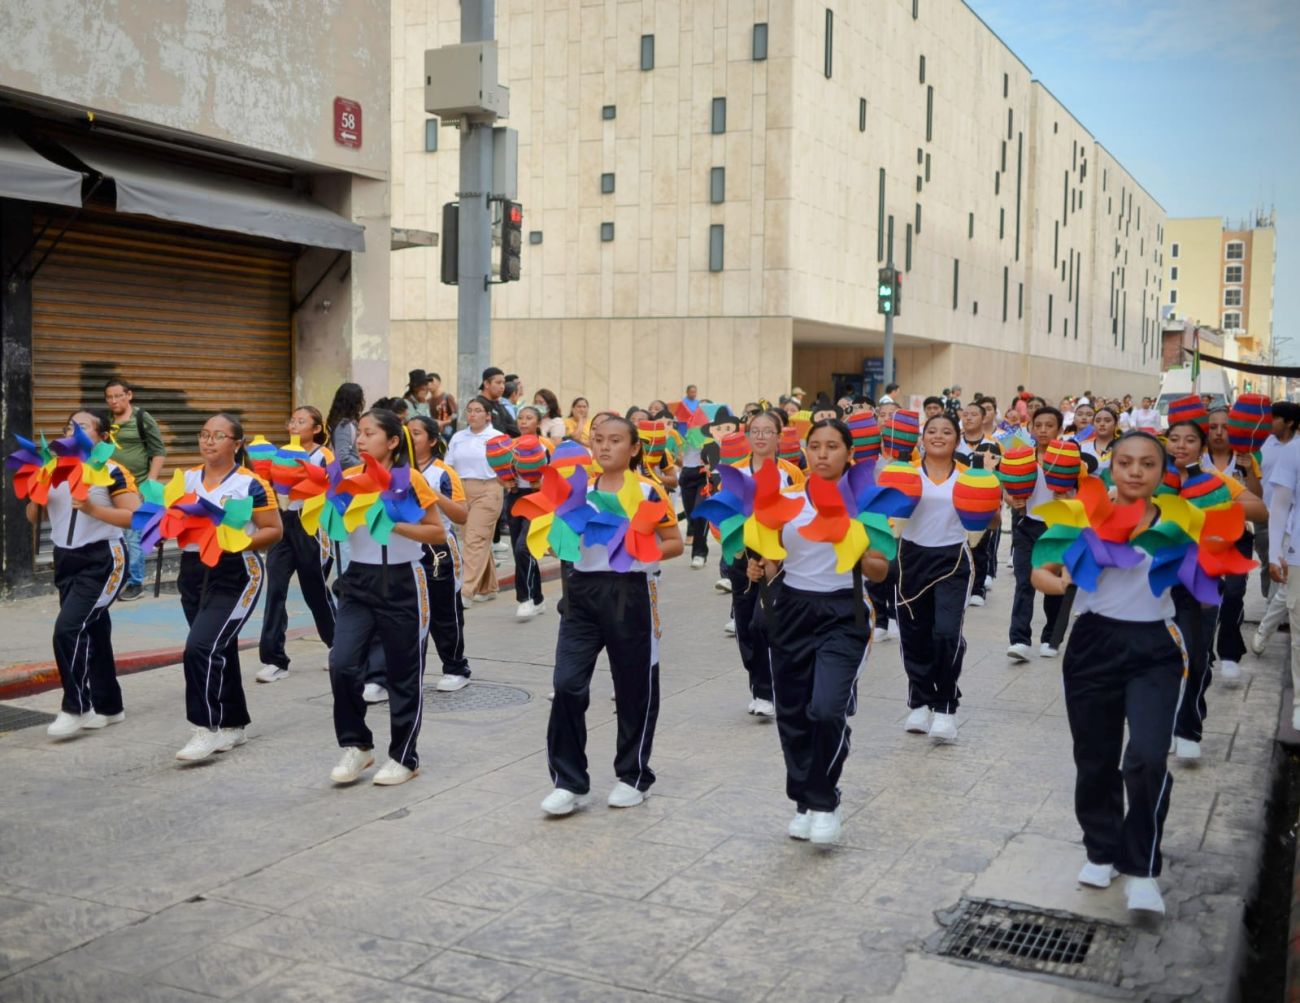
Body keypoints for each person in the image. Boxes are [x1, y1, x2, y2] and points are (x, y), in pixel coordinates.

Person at [1032, 432, 1186, 915]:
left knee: (1146, 756)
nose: (1135, 472)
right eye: (1124, 463)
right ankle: (1102, 849)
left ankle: (1142, 868)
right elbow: (1041, 569)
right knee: (1095, 757)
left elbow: (1205, 569)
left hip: (1156, 647)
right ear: (1110, 468)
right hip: (1093, 644)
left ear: (1162, 472)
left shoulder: (1181, 521)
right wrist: (1060, 579)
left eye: (1146, 464)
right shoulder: (1082, 513)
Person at [749, 419, 889, 844]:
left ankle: (825, 801)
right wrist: (760, 568)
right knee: (792, 712)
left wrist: (854, 540)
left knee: (827, 709)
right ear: (805, 452)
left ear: (850, 453)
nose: (823, 454)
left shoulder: (866, 503)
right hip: (791, 609)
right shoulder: (785, 500)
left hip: (842, 611)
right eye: (815, 446)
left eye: (832, 446)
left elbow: (881, 571)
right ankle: (804, 801)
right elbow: (771, 557)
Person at [541, 417, 684, 816]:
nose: (605, 448)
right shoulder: (578, 491)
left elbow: (674, 543)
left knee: (634, 689)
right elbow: (560, 542)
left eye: (615, 441)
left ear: (634, 448)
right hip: (581, 595)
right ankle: (569, 781)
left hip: (631, 594)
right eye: (598, 440)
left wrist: (640, 549)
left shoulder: (648, 491)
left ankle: (633, 776)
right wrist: (558, 542)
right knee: (567, 685)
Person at [327, 408, 446, 787]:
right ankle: (357, 745)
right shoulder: (348, 478)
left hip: (403, 581)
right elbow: (334, 526)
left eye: (369, 433)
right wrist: (331, 515)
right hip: (358, 580)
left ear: (393, 441)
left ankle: (404, 756)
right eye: (357, 433)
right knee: (341, 662)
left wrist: (393, 524)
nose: (360, 440)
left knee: (403, 673)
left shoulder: (409, 479)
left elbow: (437, 533)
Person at [174, 415, 283, 763]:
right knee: (219, 646)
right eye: (204, 434)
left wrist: (237, 541)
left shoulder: (250, 484)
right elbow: (169, 516)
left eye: (218, 436)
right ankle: (234, 723)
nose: (208, 442)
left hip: (236, 571)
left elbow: (274, 531)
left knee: (200, 647)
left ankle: (205, 727)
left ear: (236, 444)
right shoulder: (187, 478)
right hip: (193, 570)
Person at [35, 408, 140, 738]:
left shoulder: (112, 470)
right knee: (94, 631)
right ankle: (110, 706)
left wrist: (94, 508)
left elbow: (134, 517)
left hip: (103, 559)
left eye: (82, 426)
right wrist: (32, 493)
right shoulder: (51, 469)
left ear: (102, 435)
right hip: (65, 559)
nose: (72, 431)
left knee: (69, 628)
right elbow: (32, 515)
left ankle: (76, 707)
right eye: (69, 426)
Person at [1166, 416, 1266, 761]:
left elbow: (1260, 510)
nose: (1181, 445)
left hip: (1203, 579)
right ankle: (1165, 721)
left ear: (1202, 447)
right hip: (1158, 582)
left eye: (1190, 440)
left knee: (1196, 655)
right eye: (1174, 438)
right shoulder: (1151, 478)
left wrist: (1218, 507)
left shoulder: (1215, 481)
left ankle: (1189, 727)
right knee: (1161, 657)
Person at [722, 409, 805, 718]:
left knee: (763, 622)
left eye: (767, 431)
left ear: (778, 437)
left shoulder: (792, 473)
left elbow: (798, 514)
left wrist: (777, 555)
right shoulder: (734, 472)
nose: (760, 436)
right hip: (742, 556)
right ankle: (758, 684)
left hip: (779, 557)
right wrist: (739, 556)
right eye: (754, 430)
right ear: (747, 436)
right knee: (745, 627)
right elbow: (726, 517)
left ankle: (769, 691)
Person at [898, 413, 974, 743]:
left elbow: (988, 521)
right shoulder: (906, 474)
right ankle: (919, 702)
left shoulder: (972, 478)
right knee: (915, 635)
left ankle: (944, 708)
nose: (938, 436)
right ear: (922, 438)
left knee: (945, 634)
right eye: (932, 431)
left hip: (952, 560)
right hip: (911, 559)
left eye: (946, 432)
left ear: (957, 440)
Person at [256, 406, 337, 684]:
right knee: (275, 589)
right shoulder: (279, 454)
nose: (294, 424)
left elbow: (335, 486)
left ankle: (337, 645)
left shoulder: (323, 454)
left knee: (315, 591)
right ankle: (274, 659)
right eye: (292, 419)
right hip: (283, 522)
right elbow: (269, 486)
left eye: (302, 421)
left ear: (316, 428)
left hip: (312, 524)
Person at [409, 415, 473, 692]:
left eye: (417, 433)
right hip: (404, 545)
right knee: (406, 611)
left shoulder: (443, 472)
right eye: (407, 432)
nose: (411, 438)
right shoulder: (396, 470)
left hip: (437, 550)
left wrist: (434, 494)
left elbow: (461, 515)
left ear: (432, 440)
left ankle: (456, 666)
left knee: (444, 610)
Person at [1204, 407, 1263, 685]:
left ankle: (1228, 653)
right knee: (1205, 596)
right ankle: (1203, 653)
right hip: (1203, 537)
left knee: (1234, 592)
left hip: (1238, 535)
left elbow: (1258, 498)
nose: (1218, 432)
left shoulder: (1244, 458)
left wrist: (1250, 470)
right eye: (1212, 426)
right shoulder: (1197, 457)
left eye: (1224, 427)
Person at [1006, 406, 1067, 663]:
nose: (1043, 430)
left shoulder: (1068, 460)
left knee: (1053, 587)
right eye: (1038, 425)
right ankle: (1019, 640)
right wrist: (1011, 499)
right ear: (1031, 428)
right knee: (1024, 582)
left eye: (1049, 425)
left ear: (1060, 429)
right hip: (1026, 527)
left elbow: (1082, 492)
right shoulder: (1021, 456)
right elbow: (1005, 484)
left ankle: (1051, 637)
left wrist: (1070, 497)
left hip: (1056, 529)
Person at [103, 379, 165, 600]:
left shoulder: (141, 418)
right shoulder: (105, 421)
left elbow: (158, 452)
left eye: (118, 396)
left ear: (129, 395)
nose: (113, 401)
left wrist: (148, 484)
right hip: (108, 487)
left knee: (133, 535)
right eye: (109, 397)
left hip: (135, 487)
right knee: (111, 534)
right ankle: (115, 578)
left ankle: (135, 582)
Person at [446, 397, 506, 602]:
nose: (472, 414)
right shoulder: (458, 437)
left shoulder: (497, 437)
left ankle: (465, 591)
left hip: (488, 489)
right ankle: (488, 587)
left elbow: (508, 467)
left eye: (478, 410)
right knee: (475, 539)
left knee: (474, 539)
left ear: (488, 415)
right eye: (469, 410)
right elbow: (449, 465)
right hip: (462, 490)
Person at [1254, 402, 1300, 651]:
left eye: (1275, 418)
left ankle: (1265, 628)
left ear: (1290, 422)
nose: (1270, 423)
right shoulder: (1269, 446)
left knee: (1285, 587)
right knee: (1274, 573)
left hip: (1292, 526)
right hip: (1270, 516)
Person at [955, 401, 1002, 605]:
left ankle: (978, 588)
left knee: (980, 545)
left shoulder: (994, 444)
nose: (968, 417)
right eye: (965, 414)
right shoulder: (954, 442)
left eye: (974, 414)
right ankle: (961, 585)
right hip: (958, 499)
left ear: (984, 418)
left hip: (984, 500)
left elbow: (1001, 473)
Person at [508, 406, 551, 620]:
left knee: (524, 548)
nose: (523, 421)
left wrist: (540, 483)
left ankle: (524, 600)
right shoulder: (510, 446)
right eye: (521, 417)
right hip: (516, 498)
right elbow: (501, 474)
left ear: (538, 422)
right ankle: (538, 597)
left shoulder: (545, 447)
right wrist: (507, 482)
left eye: (529, 418)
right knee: (520, 552)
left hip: (538, 500)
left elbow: (555, 477)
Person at [326, 383, 365, 469]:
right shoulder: (344, 426)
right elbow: (343, 458)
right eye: (361, 398)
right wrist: (364, 466)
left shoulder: (344, 423)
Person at [478, 367, 520, 436]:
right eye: (498, 383)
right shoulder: (479, 405)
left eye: (503, 383)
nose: (502, 387)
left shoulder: (499, 405)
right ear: (486, 384)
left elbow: (515, 429)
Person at [427, 372, 458, 440]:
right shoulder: (428, 401)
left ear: (439, 382)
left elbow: (455, 415)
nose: (429, 384)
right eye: (427, 382)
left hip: (447, 433)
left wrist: (443, 423)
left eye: (432, 381)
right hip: (434, 433)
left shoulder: (447, 397)